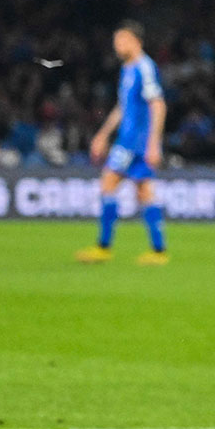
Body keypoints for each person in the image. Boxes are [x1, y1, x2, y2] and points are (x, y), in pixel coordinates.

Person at [75, 20, 168, 265]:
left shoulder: (144, 68)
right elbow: (123, 107)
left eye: (121, 40)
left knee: (108, 183)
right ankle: (158, 251)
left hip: (134, 142)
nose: (117, 45)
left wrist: (153, 144)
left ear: (135, 41)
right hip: (129, 139)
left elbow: (158, 104)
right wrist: (103, 134)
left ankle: (104, 247)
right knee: (144, 191)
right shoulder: (127, 69)